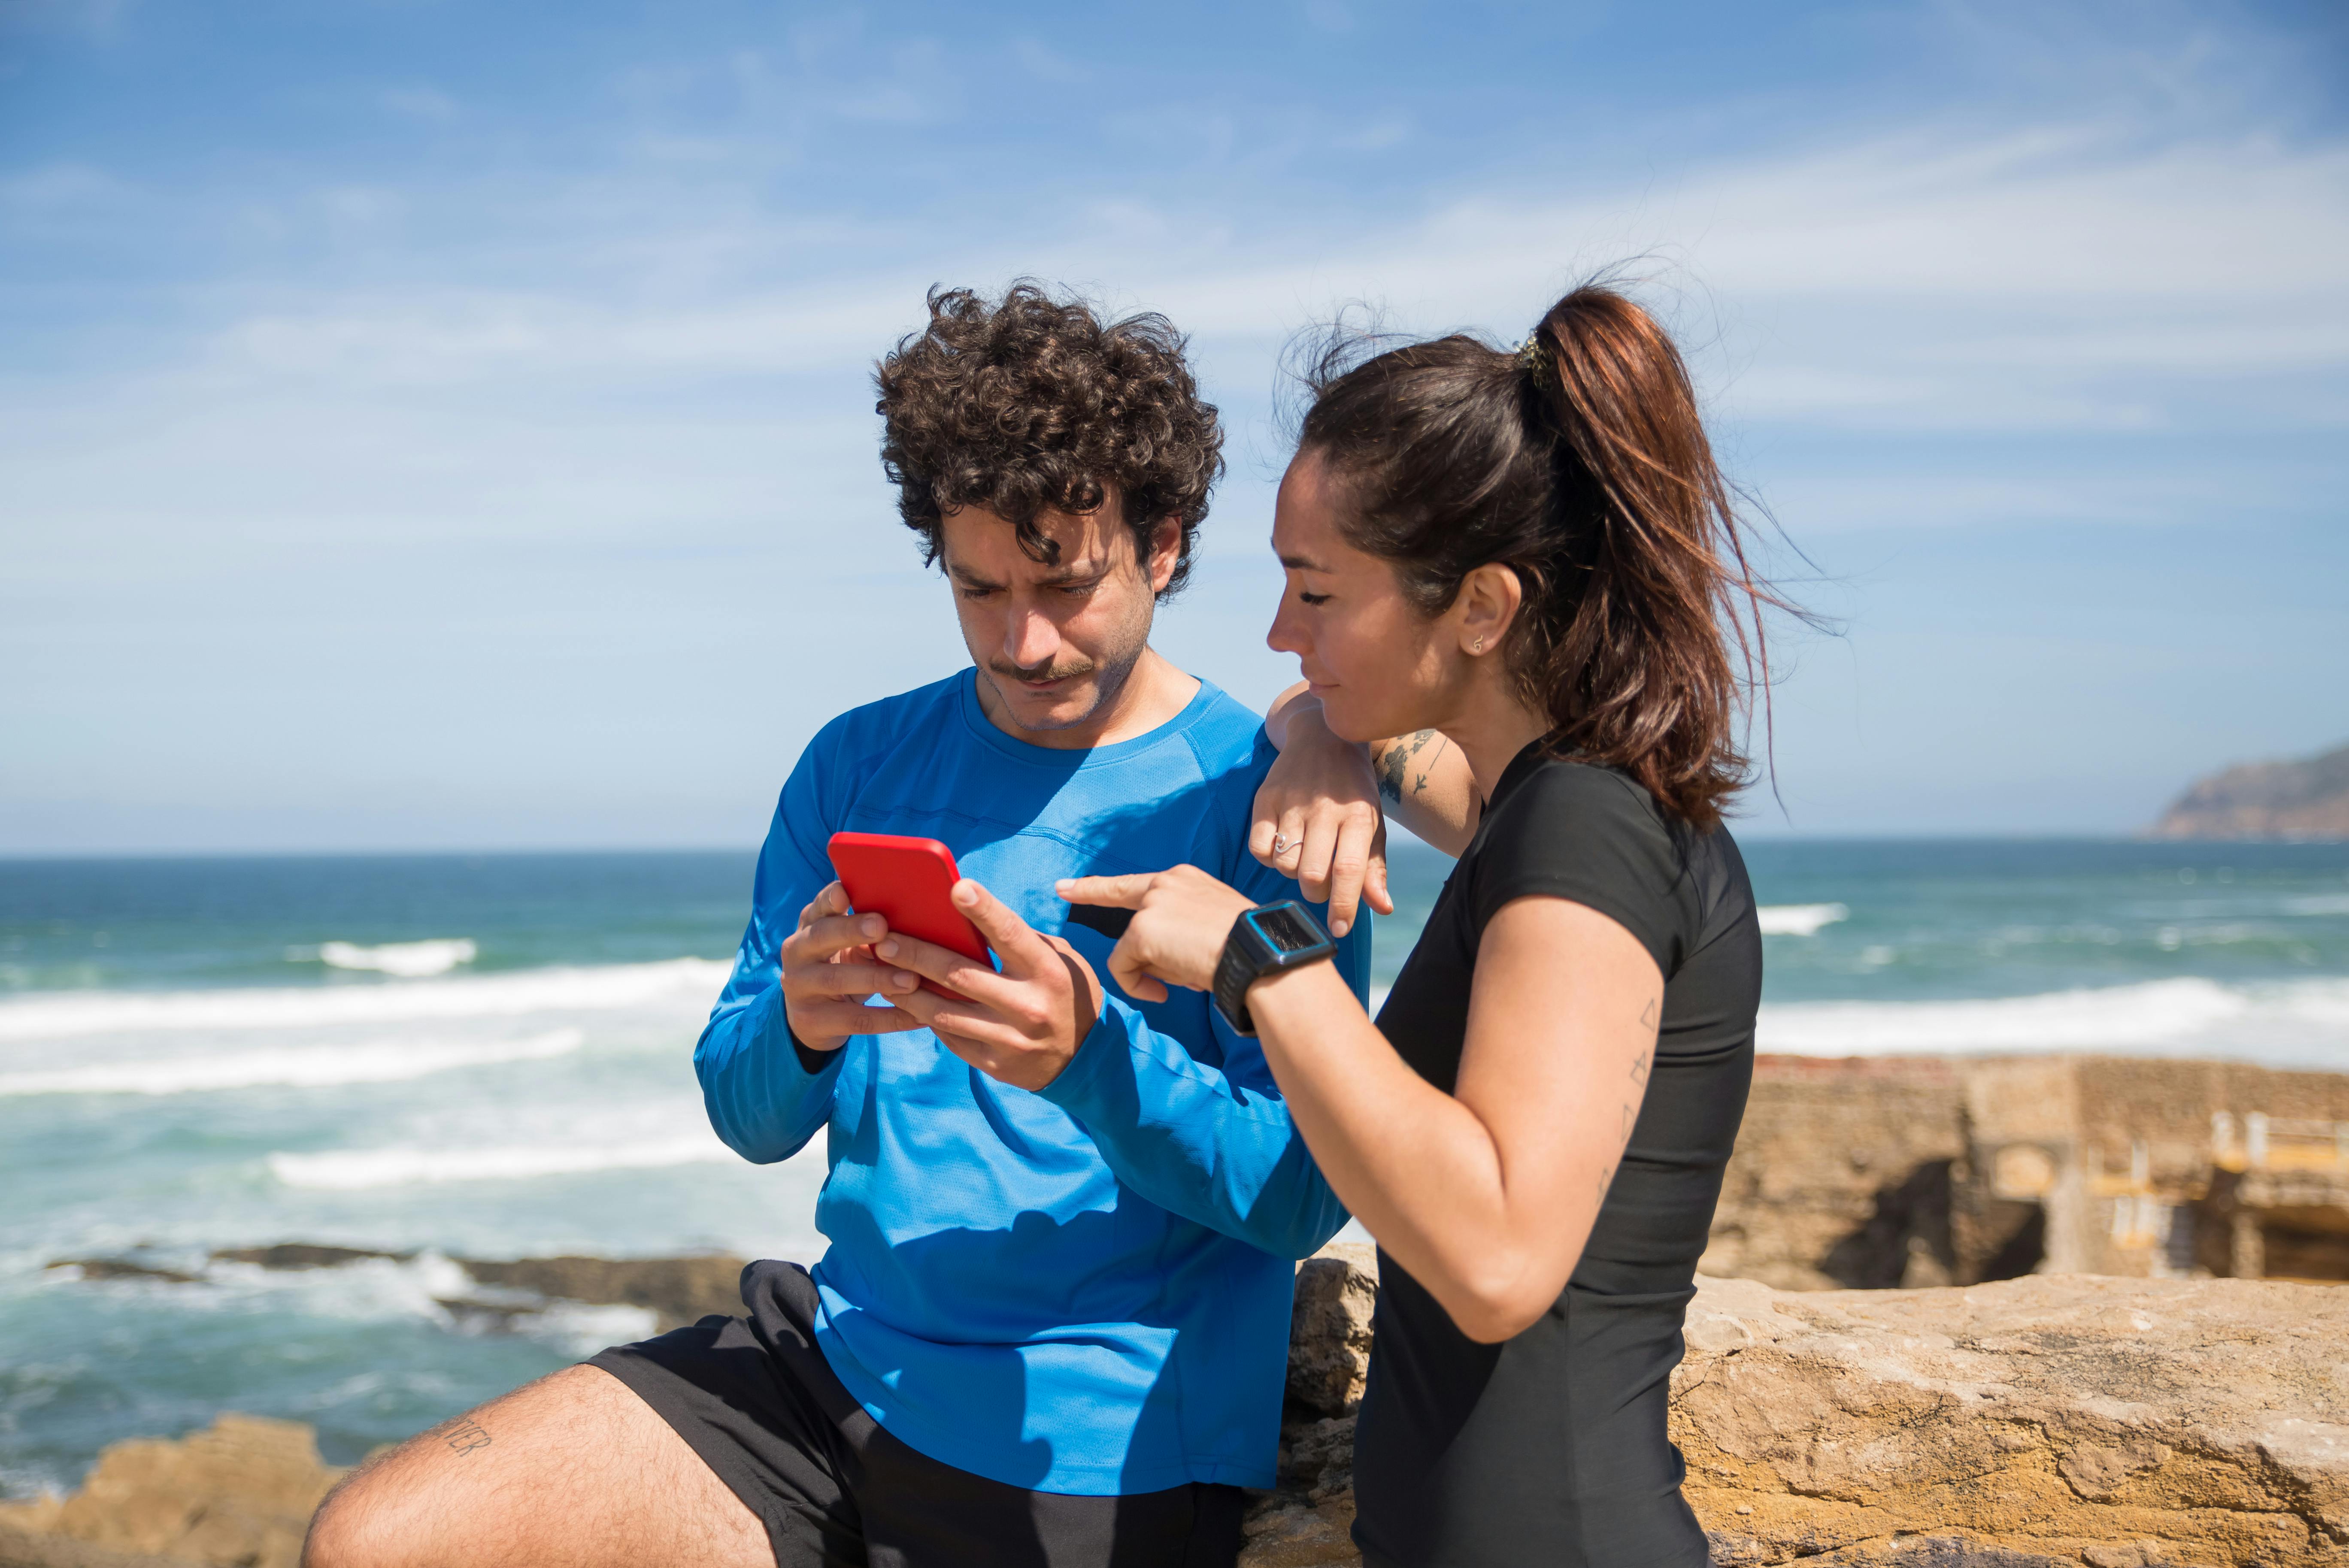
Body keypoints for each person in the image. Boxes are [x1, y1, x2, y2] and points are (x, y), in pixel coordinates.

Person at [302, 283, 1382, 1568]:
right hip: (835, 1363)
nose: (1023, 640)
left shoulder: (1272, 798)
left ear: (1160, 545)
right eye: (979, 589)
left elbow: (1301, 1197)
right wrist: (803, 1030)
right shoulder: (856, 761)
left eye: (1064, 584)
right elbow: (746, 1113)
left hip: (1100, 1431)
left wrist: (1090, 1062)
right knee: (380, 1539)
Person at [1039, 284, 1772, 1567]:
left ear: (1480, 609)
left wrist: (1258, 957)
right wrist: (1327, 735)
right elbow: (1319, 716)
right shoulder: (1547, 797)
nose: (1278, 628)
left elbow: (1496, 1256)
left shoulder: (1579, 828)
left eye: (1315, 592)